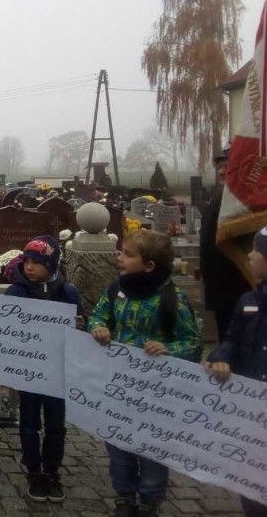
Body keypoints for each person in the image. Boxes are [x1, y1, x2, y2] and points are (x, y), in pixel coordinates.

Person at [88, 229, 203, 517]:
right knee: (119, 443)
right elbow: (100, 315)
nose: (120, 258)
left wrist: (168, 349)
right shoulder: (117, 290)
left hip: (156, 391)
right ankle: (124, 496)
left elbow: (192, 341)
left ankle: (148, 500)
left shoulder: (171, 299)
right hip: (120, 384)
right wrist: (98, 328)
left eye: (128, 254)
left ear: (149, 265)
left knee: (153, 447)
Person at [5, 236, 83, 503]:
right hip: (29, 370)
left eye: (36, 263)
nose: (29, 267)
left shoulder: (68, 293)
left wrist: (80, 325)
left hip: (57, 370)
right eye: (26, 261)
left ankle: (51, 470)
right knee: (28, 423)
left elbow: (80, 328)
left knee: (55, 425)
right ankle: (33, 470)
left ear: (51, 265)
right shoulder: (17, 291)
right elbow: (5, 329)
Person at [204, 227, 267, 517]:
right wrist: (221, 357)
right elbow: (232, 339)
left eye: (257, 250)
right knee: (251, 486)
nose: (251, 255)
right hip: (251, 410)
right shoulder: (249, 301)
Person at [199, 148, 251, 341]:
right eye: (219, 167)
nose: (221, 172)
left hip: (244, 290)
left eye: (227, 166)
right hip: (221, 293)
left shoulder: (250, 205)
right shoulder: (219, 201)